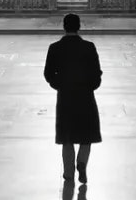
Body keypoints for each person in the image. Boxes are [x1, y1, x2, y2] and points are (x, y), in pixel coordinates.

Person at [44, 13, 103, 184]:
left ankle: (68, 173)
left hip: (65, 97)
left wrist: (59, 85)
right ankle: (82, 163)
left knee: (67, 137)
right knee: (86, 136)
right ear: (79, 27)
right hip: (85, 96)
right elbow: (96, 72)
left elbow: (48, 73)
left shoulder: (55, 48)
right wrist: (91, 86)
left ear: (64, 27)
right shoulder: (89, 47)